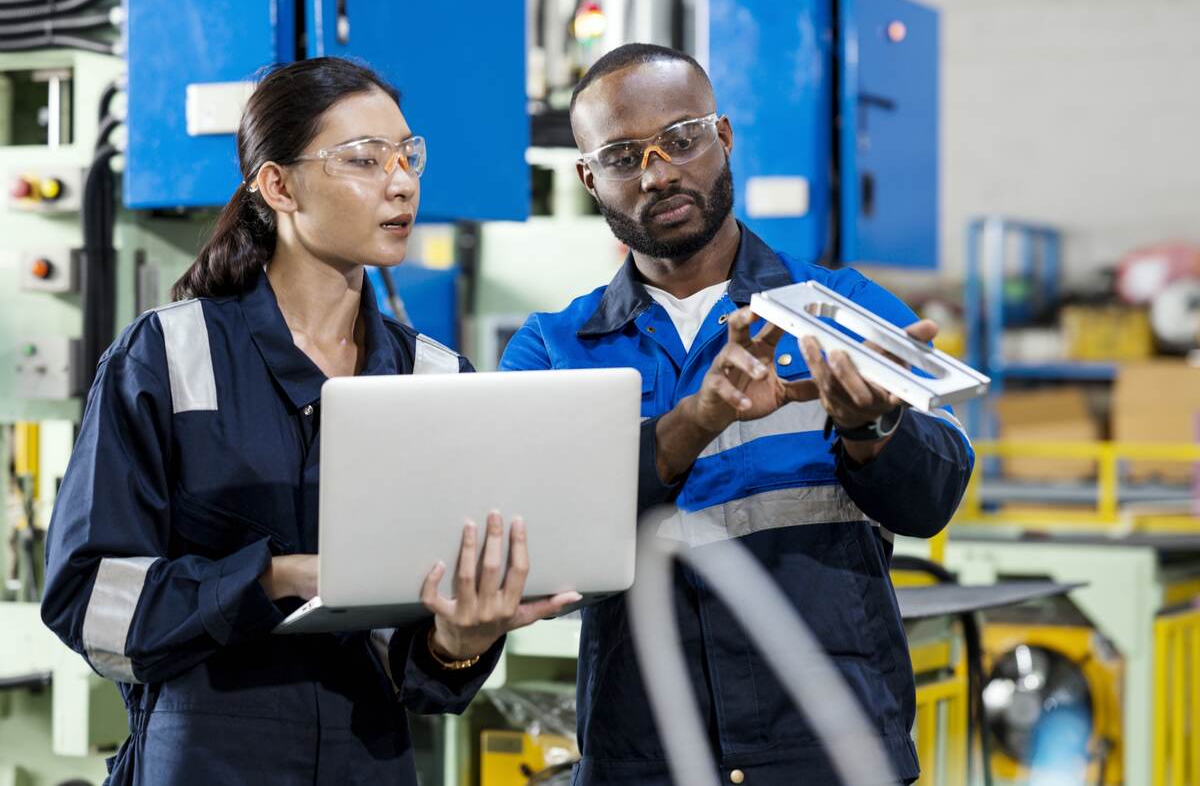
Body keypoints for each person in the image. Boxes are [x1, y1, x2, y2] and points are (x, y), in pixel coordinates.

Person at [41, 57, 578, 785]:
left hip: (372, 759)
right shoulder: (167, 356)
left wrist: (461, 637)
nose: (400, 181)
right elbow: (86, 602)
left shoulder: (434, 380)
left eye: (406, 155)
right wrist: (272, 577)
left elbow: (421, 671)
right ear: (278, 185)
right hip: (205, 759)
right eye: (362, 159)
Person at [500, 43, 975, 785]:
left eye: (682, 139)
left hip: (828, 750)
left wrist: (870, 427)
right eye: (625, 157)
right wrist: (699, 417)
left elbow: (935, 498)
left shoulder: (838, 312)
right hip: (646, 757)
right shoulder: (555, 349)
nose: (660, 173)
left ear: (722, 137)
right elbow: (529, 533)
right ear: (590, 177)